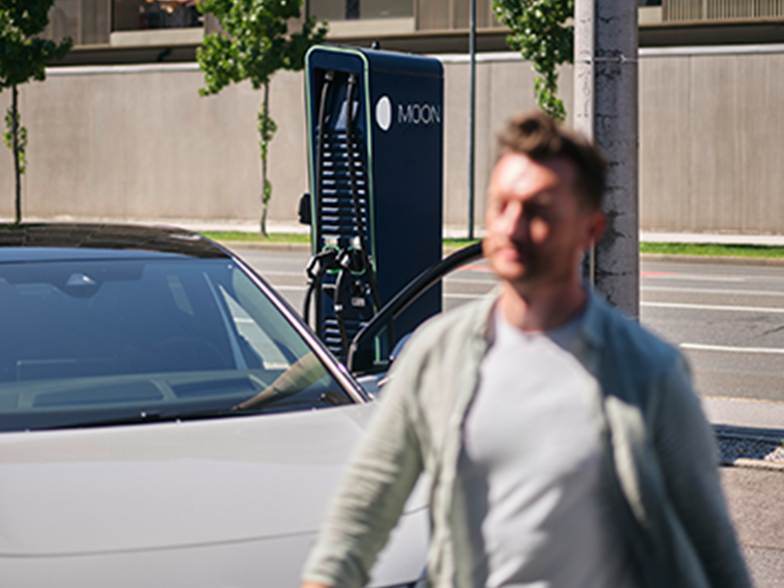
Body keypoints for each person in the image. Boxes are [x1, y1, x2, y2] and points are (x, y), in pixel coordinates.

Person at [301, 111, 751, 588]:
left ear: (589, 231)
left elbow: (711, 545)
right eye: (502, 206)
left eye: (538, 211)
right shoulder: (438, 354)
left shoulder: (649, 372)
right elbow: (362, 510)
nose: (512, 228)